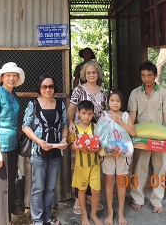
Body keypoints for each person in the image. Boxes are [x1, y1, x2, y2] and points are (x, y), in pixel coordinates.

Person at [127, 60, 166, 214]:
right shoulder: (135, 93)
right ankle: (137, 198)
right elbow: (132, 116)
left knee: (160, 169)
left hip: (160, 138)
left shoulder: (164, 93)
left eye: (149, 75)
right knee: (139, 168)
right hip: (142, 137)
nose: (146, 78)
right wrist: (129, 134)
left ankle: (157, 200)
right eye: (143, 75)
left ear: (155, 75)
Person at [22, 74, 68, 225]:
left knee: (50, 187)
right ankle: (37, 219)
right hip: (38, 151)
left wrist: (64, 139)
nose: (48, 89)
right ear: (39, 88)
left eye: (51, 86)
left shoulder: (60, 104)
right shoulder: (33, 104)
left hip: (55, 151)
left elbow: (64, 125)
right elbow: (25, 126)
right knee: (38, 187)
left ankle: (47, 217)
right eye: (44, 86)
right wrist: (38, 141)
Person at [67, 60, 107, 215]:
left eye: (94, 72)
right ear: (84, 74)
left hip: (97, 131)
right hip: (82, 131)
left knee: (94, 165)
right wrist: (70, 123)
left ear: (98, 74)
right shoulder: (79, 89)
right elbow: (71, 108)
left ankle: (90, 198)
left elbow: (105, 110)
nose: (91, 75)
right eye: (88, 73)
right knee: (81, 167)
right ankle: (79, 198)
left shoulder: (103, 90)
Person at [0, 62, 24, 225]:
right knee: (2, 188)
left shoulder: (13, 95)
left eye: (14, 76)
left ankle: (7, 220)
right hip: (1, 147)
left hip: (13, 145)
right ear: (2, 77)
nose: (11, 78)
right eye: (8, 75)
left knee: (10, 185)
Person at [101, 91, 136, 225]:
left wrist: (119, 121)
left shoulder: (126, 116)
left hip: (123, 153)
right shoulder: (104, 115)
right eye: (112, 100)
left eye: (118, 101)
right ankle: (110, 212)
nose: (115, 103)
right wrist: (110, 147)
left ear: (122, 103)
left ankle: (121, 212)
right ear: (108, 102)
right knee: (109, 180)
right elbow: (100, 133)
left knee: (121, 181)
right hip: (108, 153)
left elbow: (133, 132)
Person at [69, 100, 102, 225]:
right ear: (78, 113)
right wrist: (74, 146)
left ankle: (93, 214)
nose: (86, 117)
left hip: (95, 165)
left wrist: (98, 148)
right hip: (81, 166)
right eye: (83, 113)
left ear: (93, 114)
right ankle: (84, 215)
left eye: (89, 114)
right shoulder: (74, 129)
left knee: (96, 191)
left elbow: (101, 144)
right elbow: (70, 145)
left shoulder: (96, 127)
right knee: (82, 191)